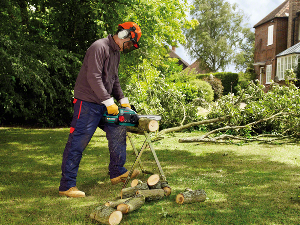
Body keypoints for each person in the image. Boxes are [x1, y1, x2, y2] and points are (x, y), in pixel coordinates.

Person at [59, 22, 142, 198]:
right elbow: (93, 77)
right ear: (123, 35)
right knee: (78, 142)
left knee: (118, 128)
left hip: (104, 104)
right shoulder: (99, 47)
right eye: (129, 43)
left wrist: (122, 100)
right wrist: (108, 101)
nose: (128, 47)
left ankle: (117, 172)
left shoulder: (115, 53)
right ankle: (67, 186)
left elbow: (114, 79)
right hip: (87, 103)